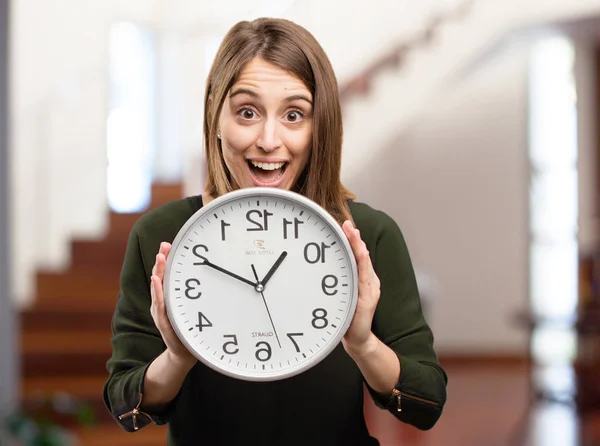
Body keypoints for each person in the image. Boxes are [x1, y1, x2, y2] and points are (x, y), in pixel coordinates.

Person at [103, 17, 447, 446]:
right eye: (247, 112)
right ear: (216, 113)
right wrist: (177, 356)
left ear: (319, 125)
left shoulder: (367, 236)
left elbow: (426, 403)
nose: (269, 139)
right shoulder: (163, 234)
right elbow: (125, 407)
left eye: (293, 115)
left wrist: (362, 344)